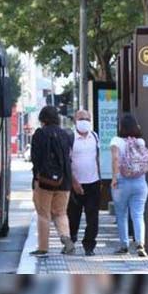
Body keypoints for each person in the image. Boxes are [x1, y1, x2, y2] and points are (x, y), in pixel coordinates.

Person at [29, 105, 75, 257]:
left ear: (42, 119)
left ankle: (43, 248)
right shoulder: (65, 134)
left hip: (44, 181)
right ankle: (66, 238)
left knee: (43, 214)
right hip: (64, 180)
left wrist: (37, 178)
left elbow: (35, 159)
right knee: (60, 213)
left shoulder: (39, 134)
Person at [111, 113, 148, 257]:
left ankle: (124, 245)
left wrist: (114, 178)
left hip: (122, 182)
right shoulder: (140, 141)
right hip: (140, 182)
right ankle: (140, 244)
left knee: (121, 214)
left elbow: (115, 159)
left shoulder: (116, 141)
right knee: (138, 214)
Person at [67, 109, 101, 256]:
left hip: (93, 182)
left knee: (93, 217)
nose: (84, 122)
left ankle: (89, 245)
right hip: (75, 184)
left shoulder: (95, 136)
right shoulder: (70, 138)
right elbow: (67, 162)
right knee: (73, 216)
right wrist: (74, 182)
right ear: (75, 120)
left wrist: (100, 178)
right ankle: (71, 241)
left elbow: (97, 158)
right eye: (81, 118)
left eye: (87, 119)